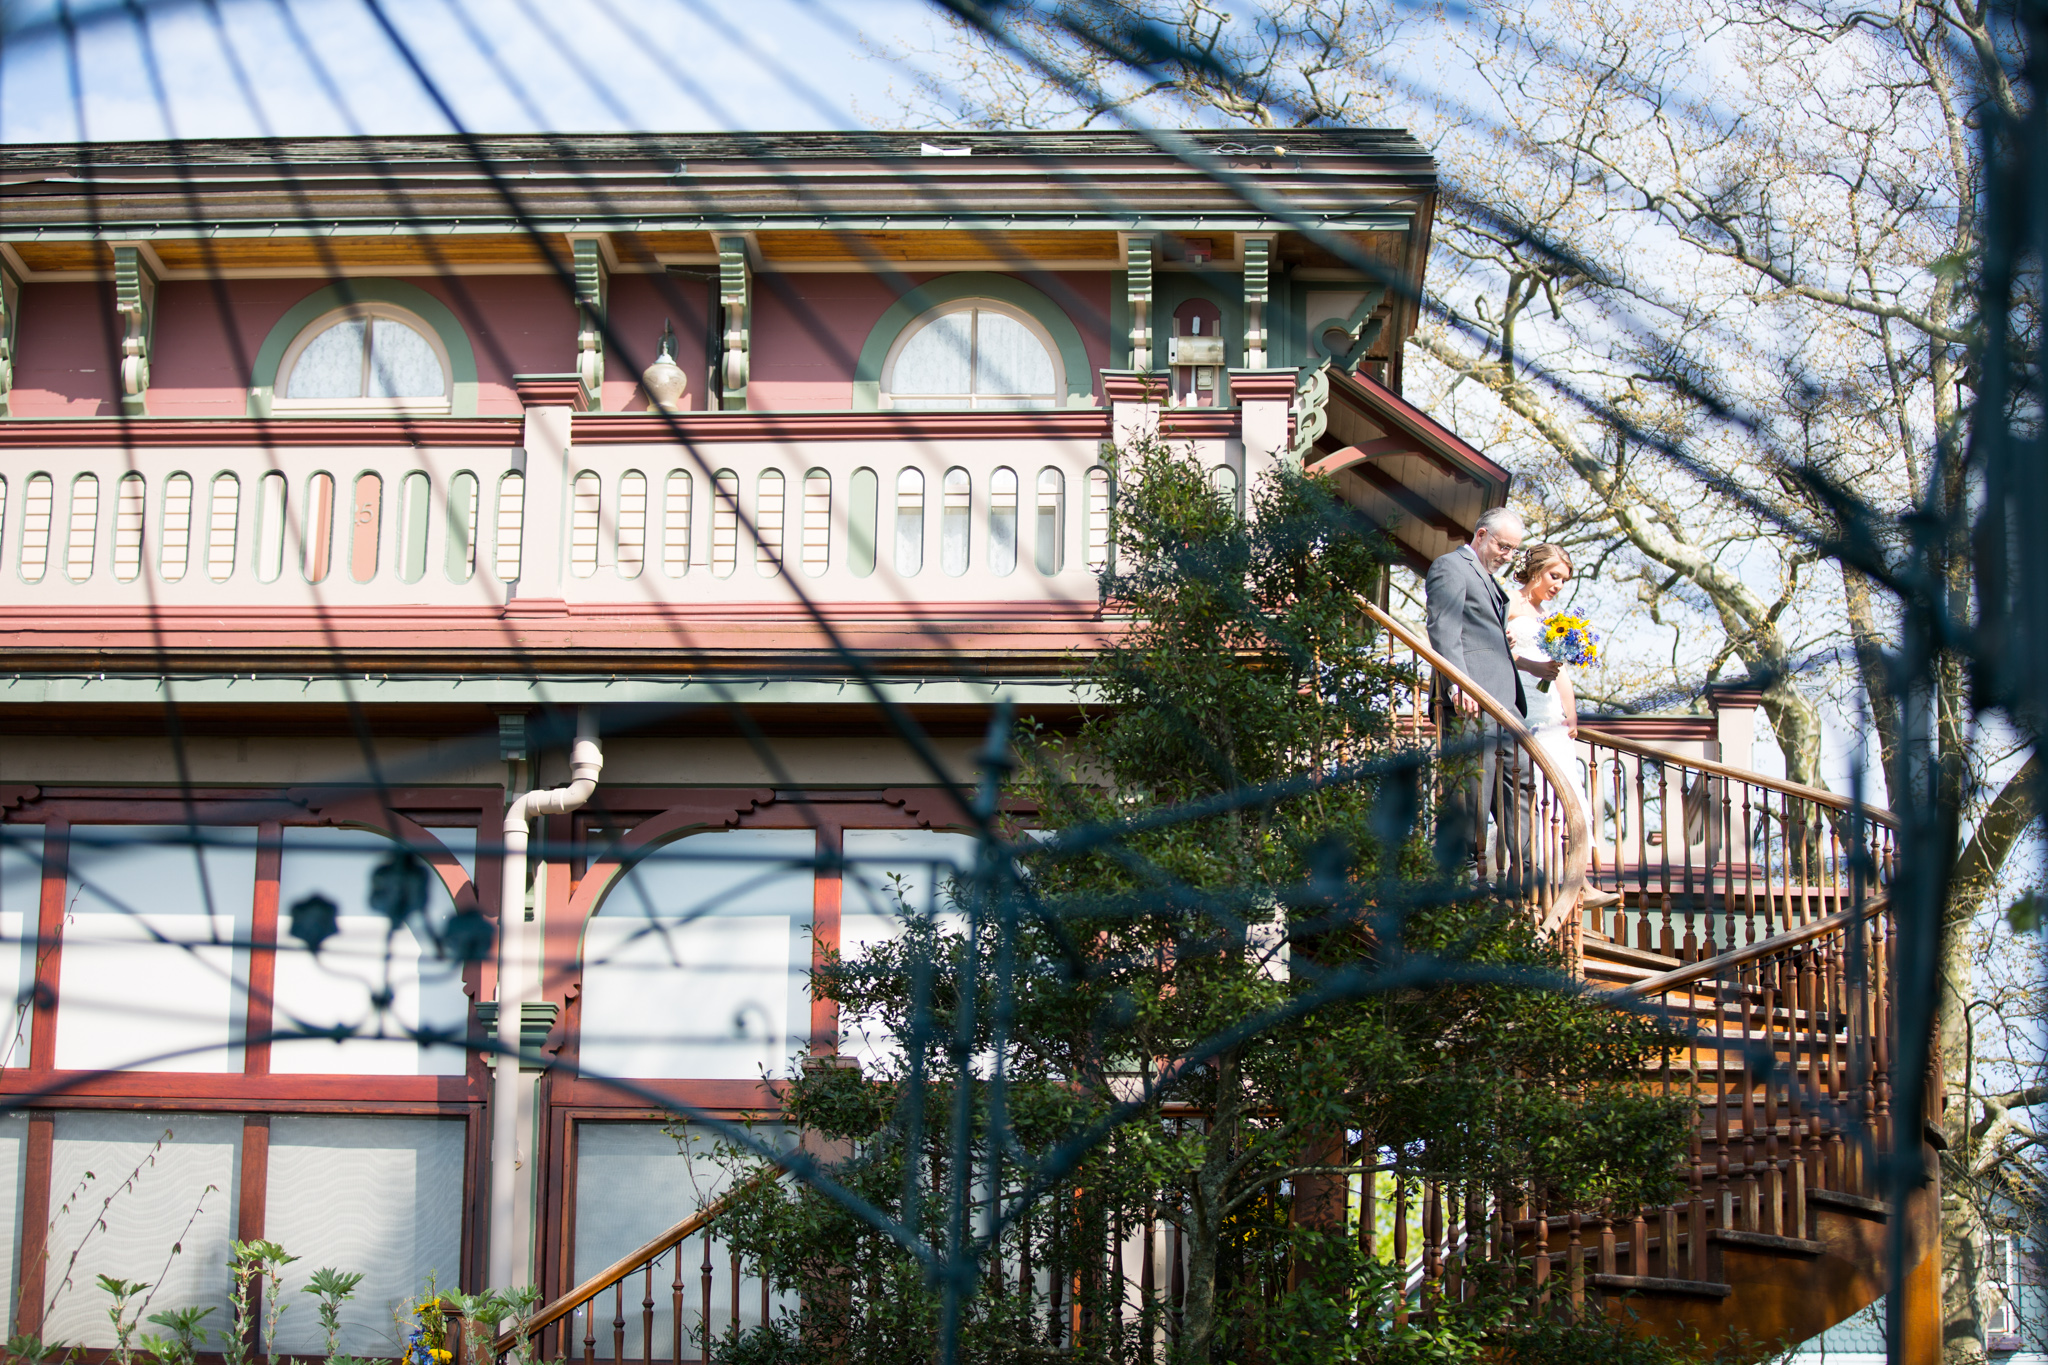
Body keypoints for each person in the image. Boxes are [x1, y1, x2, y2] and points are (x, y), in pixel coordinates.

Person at [1424, 507, 1557, 882]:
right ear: (1481, 535)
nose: (1508, 555)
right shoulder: (1451, 566)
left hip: (1506, 704)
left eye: (1514, 550)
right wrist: (1459, 682)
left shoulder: (1486, 578)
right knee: (1472, 787)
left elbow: (1477, 629)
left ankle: (1529, 869)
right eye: (1503, 546)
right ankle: (1459, 868)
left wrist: (1504, 638)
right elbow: (1443, 626)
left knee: (1521, 783)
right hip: (1472, 700)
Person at [1506, 543, 1580, 780]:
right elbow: (1491, 648)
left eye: (1564, 581)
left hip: (1549, 707)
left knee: (1561, 774)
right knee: (1530, 777)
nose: (1558, 585)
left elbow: (1560, 672)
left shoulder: (1550, 618)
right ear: (1537, 570)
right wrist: (1529, 665)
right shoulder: (1510, 602)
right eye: (1555, 576)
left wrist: (1571, 715)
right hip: (1519, 700)